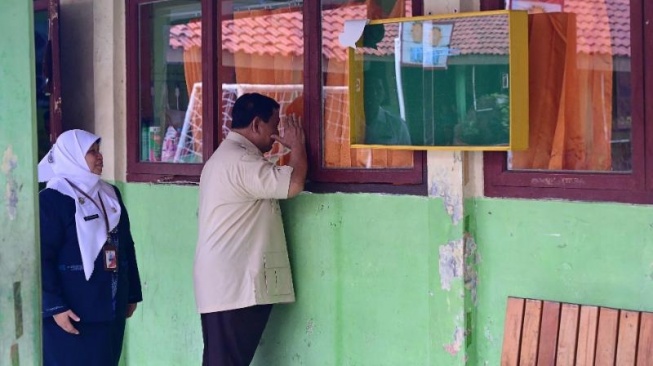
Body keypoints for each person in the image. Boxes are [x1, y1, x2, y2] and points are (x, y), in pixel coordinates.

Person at [193, 93, 307, 366]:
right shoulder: (240, 161)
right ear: (256, 125)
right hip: (232, 284)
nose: (276, 134)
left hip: (226, 281)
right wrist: (298, 148)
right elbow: (293, 185)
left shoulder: (227, 157)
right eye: (274, 127)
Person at [38, 129, 143, 366]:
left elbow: (126, 245)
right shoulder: (51, 200)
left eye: (98, 150)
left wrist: (132, 293)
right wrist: (55, 306)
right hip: (71, 314)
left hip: (110, 309)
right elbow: (41, 258)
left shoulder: (110, 194)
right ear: (72, 156)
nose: (99, 157)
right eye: (91, 152)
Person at [364, 75, 412, 145]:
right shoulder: (350, 122)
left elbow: (407, 154)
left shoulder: (398, 126)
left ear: (384, 92)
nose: (374, 93)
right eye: (370, 89)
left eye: (379, 88)